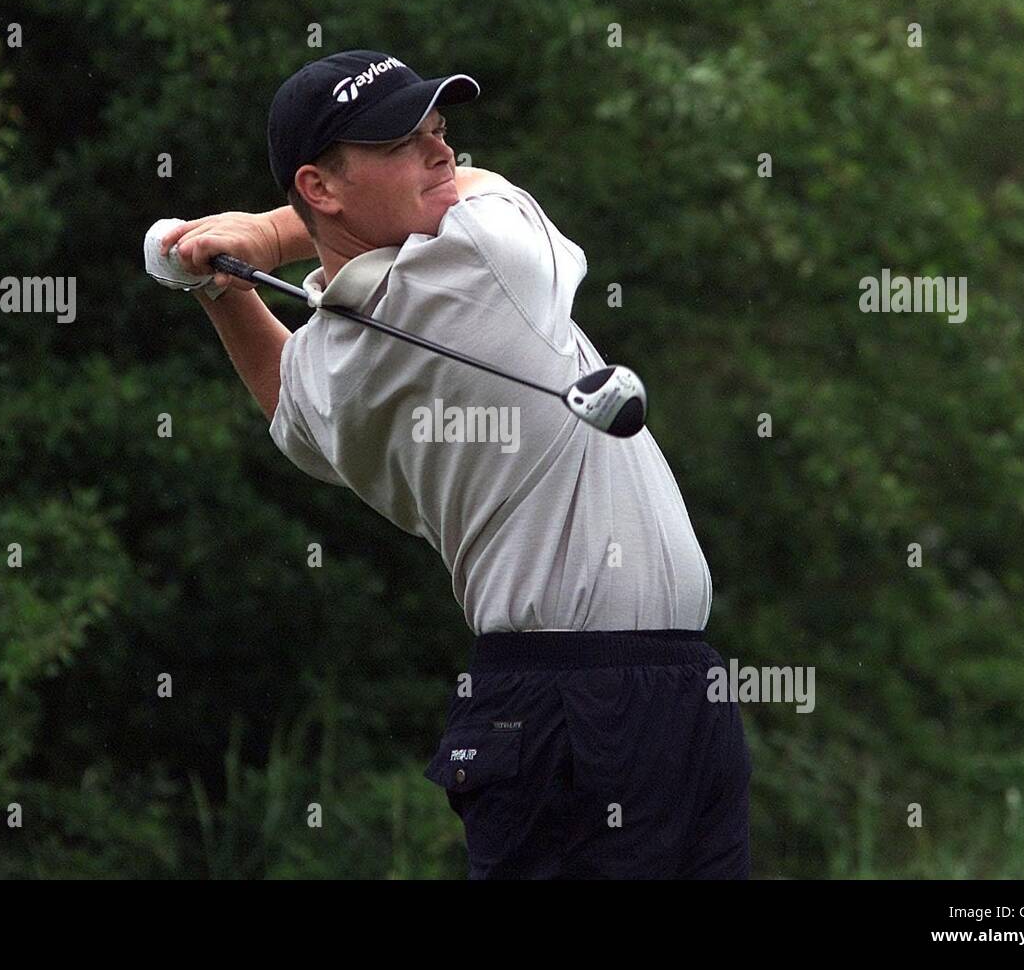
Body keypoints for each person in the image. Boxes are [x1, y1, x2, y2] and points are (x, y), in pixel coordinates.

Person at [159, 50, 750, 879]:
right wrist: (264, 236)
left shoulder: (334, 368)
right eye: (403, 141)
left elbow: (287, 405)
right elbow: (478, 186)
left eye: (438, 129)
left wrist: (226, 284)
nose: (443, 153)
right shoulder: (481, 256)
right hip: (579, 703)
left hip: (649, 691)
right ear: (320, 187)